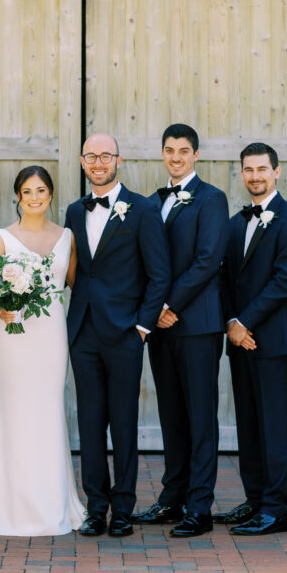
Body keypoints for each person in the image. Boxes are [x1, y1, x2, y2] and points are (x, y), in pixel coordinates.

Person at [65, 132, 171, 537]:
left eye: (105, 156)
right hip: (83, 331)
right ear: (81, 161)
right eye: (91, 156)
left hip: (126, 331)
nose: (98, 162)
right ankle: (96, 506)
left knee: (124, 422)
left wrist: (143, 327)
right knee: (90, 422)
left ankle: (123, 508)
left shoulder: (143, 209)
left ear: (118, 161)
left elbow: (159, 273)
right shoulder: (75, 211)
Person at [0, 166, 85, 536]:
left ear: (50, 194)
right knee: (16, 408)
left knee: (48, 408)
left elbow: (75, 284)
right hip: (15, 333)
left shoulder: (67, 236)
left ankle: (51, 500)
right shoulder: (2, 239)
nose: (34, 198)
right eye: (27, 191)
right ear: (17, 196)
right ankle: (13, 503)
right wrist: (0, 308)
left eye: (41, 191)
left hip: (51, 331)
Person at [133, 124, 228, 538]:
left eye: (183, 150)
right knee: (171, 414)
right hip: (162, 327)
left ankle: (200, 506)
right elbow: (145, 261)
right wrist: (155, 313)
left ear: (196, 155)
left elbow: (208, 260)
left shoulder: (213, 199)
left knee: (200, 416)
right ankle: (172, 498)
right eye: (169, 150)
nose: (176, 156)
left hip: (198, 324)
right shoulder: (153, 202)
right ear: (162, 153)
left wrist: (167, 306)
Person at [219, 143, 287, 536]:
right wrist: (230, 323)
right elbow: (224, 279)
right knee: (249, 425)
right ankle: (255, 499)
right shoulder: (236, 222)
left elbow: (286, 281)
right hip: (240, 339)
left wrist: (246, 322)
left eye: (262, 169)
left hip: (273, 340)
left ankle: (276, 509)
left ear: (277, 172)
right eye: (248, 170)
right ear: (241, 174)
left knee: (274, 427)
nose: (255, 176)